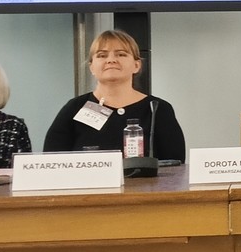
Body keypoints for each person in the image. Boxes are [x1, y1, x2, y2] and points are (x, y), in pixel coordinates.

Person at [43, 29, 186, 161]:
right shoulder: (74, 108)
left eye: (121, 54)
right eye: (102, 55)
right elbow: (51, 163)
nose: (111, 60)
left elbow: (175, 166)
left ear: (137, 65)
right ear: (91, 67)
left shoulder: (157, 109)